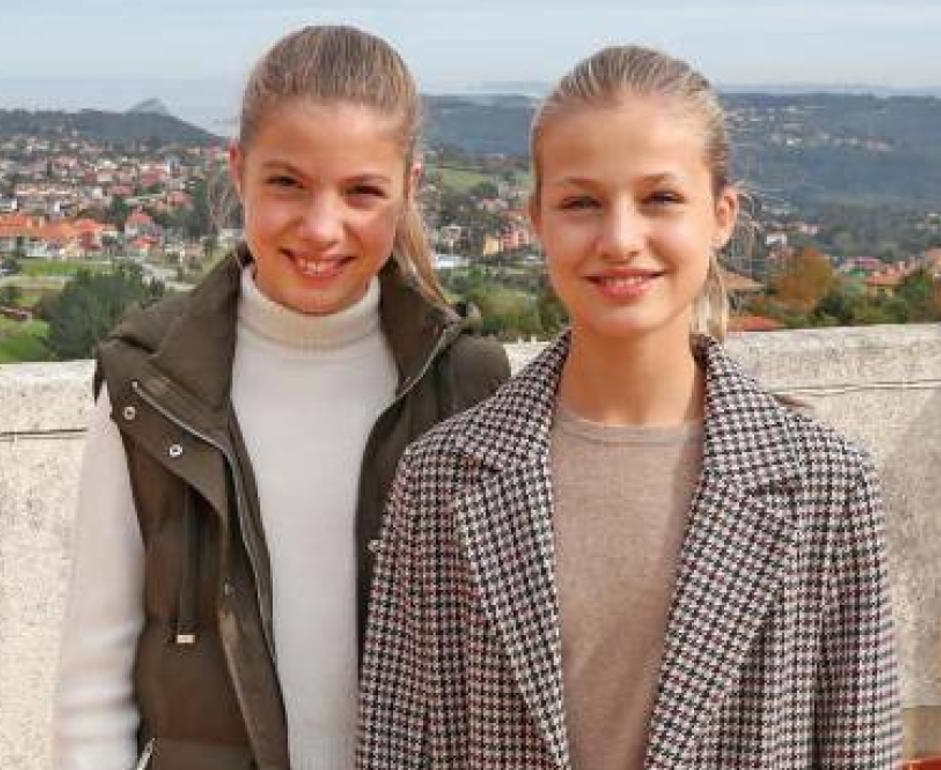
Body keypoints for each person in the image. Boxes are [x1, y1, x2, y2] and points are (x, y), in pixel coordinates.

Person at [358, 45, 900, 769]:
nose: (619, 240)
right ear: (537, 220)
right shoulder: (440, 480)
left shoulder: (827, 487)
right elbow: (392, 748)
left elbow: (858, 751)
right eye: (582, 202)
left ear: (722, 214)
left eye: (660, 199)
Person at [52, 25, 510, 770]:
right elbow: (93, 683)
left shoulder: (465, 385)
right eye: (287, 183)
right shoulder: (153, 386)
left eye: (362, 191)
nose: (321, 227)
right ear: (237, 171)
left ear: (410, 189)